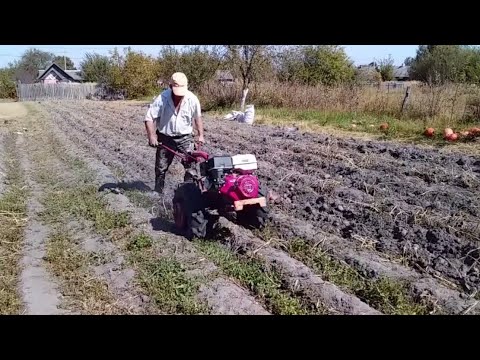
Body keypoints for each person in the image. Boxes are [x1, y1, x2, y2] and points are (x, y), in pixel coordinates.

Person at [143, 72, 205, 194]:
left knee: (191, 167)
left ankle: (188, 192)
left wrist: (201, 135)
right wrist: (151, 136)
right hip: (165, 138)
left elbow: (197, 117)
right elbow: (149, 118)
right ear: (171, 87)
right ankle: (158, 192)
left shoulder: (192, 99)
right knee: (161, 167)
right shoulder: (162, 99)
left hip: (185, 138)